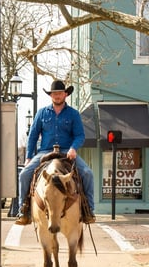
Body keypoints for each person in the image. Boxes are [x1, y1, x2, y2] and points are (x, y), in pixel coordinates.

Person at [16, 79, 95, 225]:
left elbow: (80, 135)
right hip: (45, 152)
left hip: (66, 152)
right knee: (24, 174)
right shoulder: (41, 113)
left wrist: (73, 148)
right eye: (54, 94)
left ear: (65, 94)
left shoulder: (73, 114)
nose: (57, 96)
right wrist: (28, 157)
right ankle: (23, 210)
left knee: (87, 173)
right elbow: (33, 136)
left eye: (59, 93)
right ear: (50, 95)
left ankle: (89, 210)